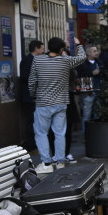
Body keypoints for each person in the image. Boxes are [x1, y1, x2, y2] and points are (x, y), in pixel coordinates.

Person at [28, 36, 85, 172]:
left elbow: (32, 82)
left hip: (43, 103)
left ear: (48, 47)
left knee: (41, 133)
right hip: (61, 103)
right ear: (61, 49)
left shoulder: (38, 60)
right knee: (59, 133)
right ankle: (60, 162)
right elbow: (82, 58)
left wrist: (34, 96)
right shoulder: (65, 61)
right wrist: (78, 45)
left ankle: (47, 164)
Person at [18, 40, 44, 150]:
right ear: (36, 48)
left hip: (37, 95)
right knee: (31, 120)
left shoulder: (38, 60)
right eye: (42, 48)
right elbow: (24, 76)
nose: (43, 50)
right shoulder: (27, 60)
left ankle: (36, 142)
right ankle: (30, 144)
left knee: (37, 120)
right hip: (29, 96)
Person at [75, 45, 102, 125]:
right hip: (87, 92)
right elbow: (79, 75)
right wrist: (92, 73)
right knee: (87, 114)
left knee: (98, 113)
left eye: (97, 50)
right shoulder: (82, 64)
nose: (97, 53)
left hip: (98, 89)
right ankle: (86, 133)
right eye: (94, 51)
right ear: (88, 53)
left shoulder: (99, 62)